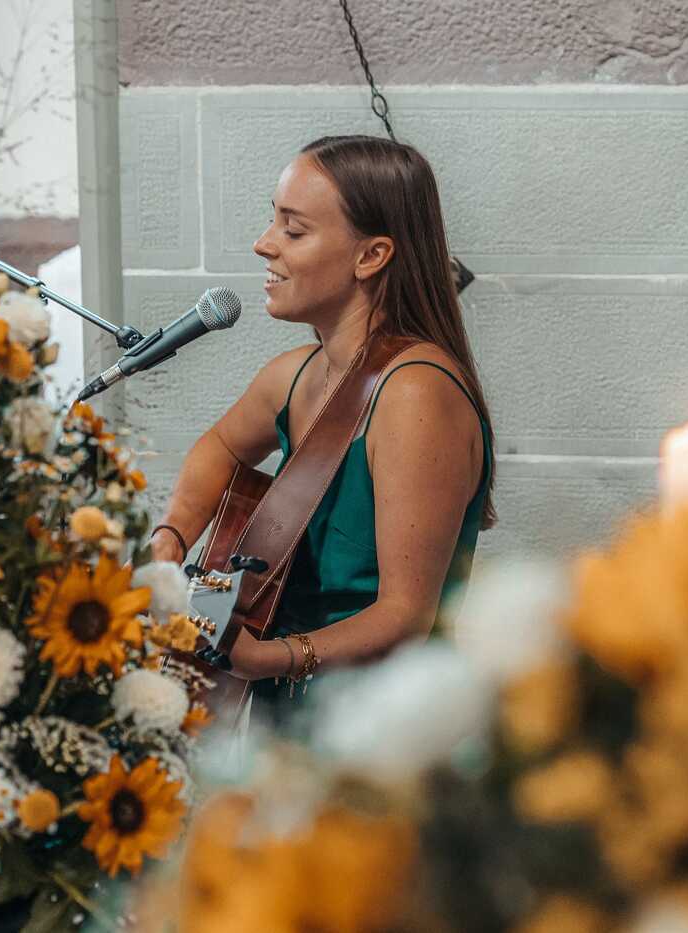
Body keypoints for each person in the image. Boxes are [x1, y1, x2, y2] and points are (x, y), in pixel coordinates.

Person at [147, 134, 496, 716]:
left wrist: (272, 658)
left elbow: (406, 615)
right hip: (294, 704)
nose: (264, 245)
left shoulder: (415, 393)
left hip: (380, 720)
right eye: (272, 222)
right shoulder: (295, 374)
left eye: (294, 230)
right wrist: (171, 538)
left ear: (371, 256)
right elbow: (218, 449)